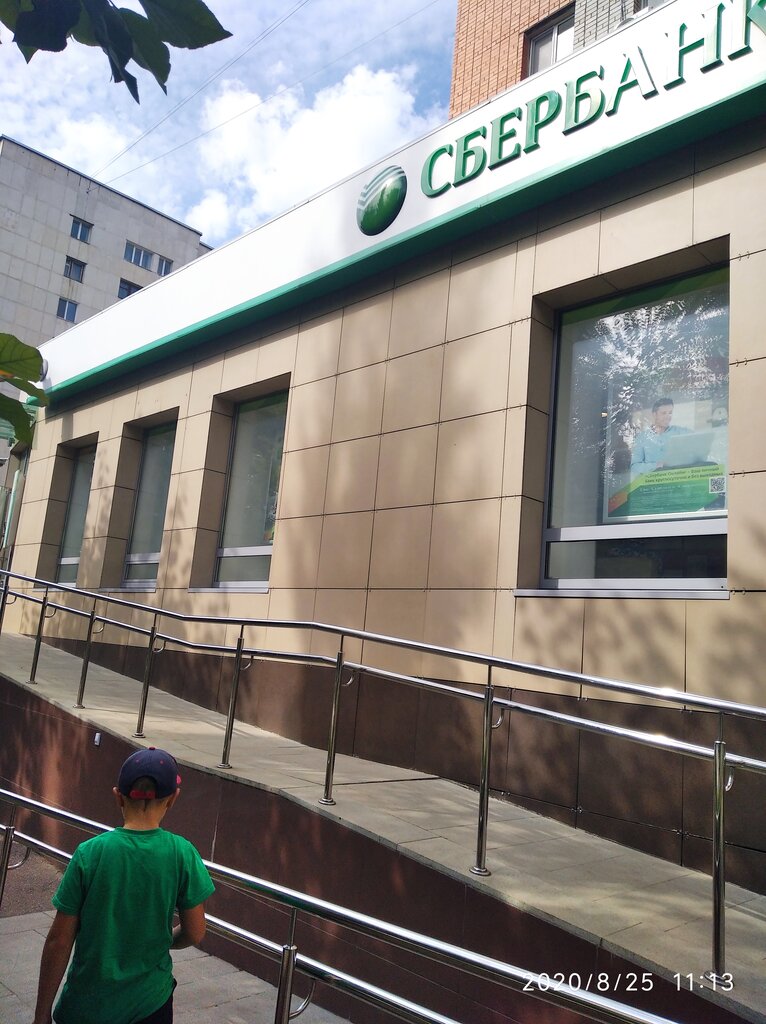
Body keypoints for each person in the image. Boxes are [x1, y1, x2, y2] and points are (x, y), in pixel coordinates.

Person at [34, 748, 215, 1024]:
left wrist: (41, 1014)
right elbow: (195, 931)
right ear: (172, 799)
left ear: (118, 795)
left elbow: (59, 940)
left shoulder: (89, 853)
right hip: (151, 1005)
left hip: (88, 1007)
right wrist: (163, 941)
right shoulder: (182, 853)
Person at [630, 396, 689, 475]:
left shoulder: (681, 432)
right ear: (654, 414)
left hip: (677, 478)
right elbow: (634, 467)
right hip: (653, 481)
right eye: (664, 413)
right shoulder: (642, 438)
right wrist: (657, 465)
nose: (668, 416)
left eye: (670, 413)